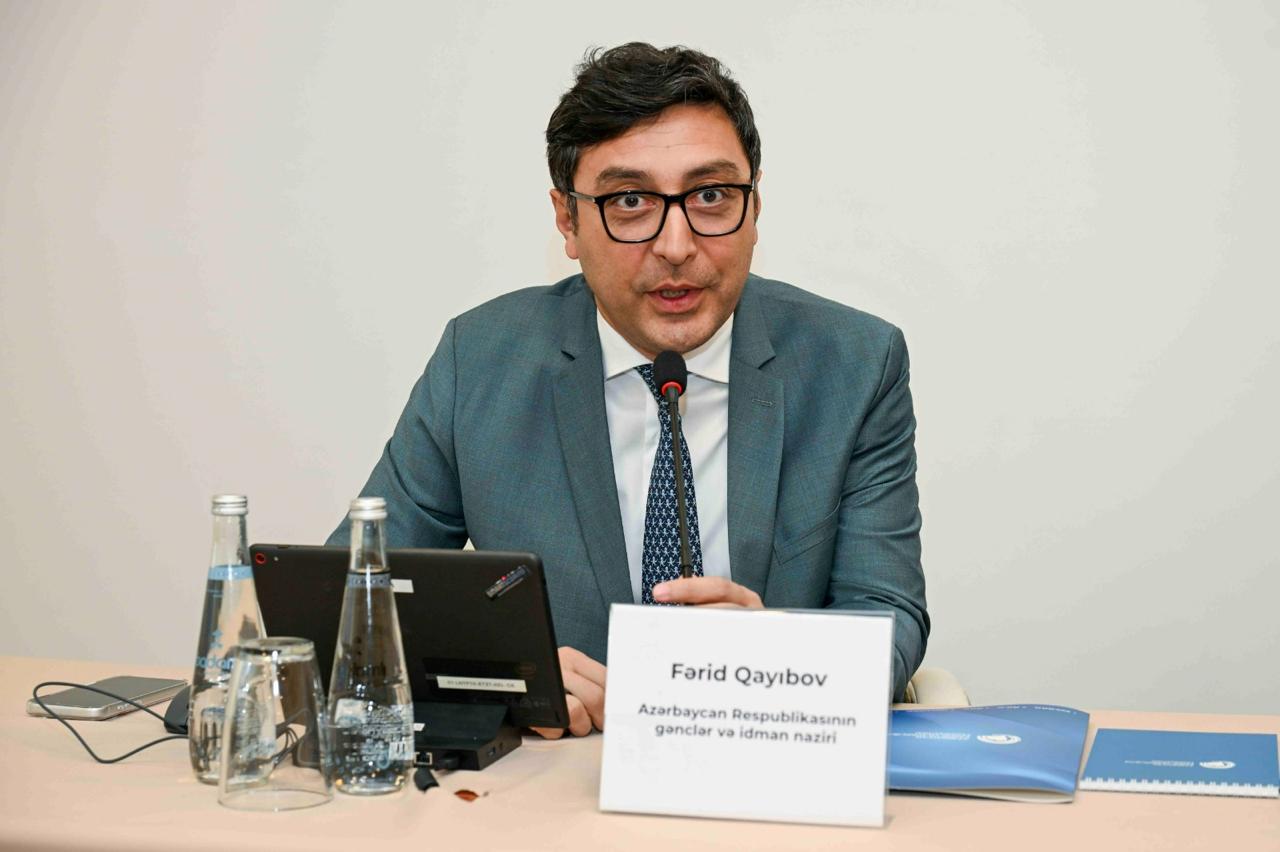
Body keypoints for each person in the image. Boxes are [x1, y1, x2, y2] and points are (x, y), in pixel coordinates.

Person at [329, 42, 929, 738]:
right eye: (631, 201)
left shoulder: (854, 363)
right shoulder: (481, 360)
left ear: (755, 205)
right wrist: (511, 671)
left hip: (760, 761)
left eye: (711, 196)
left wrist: (772, 658)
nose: (676, 245)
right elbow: (348, 601)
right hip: (559, 774)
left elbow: (888, 615)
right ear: (568, 220)